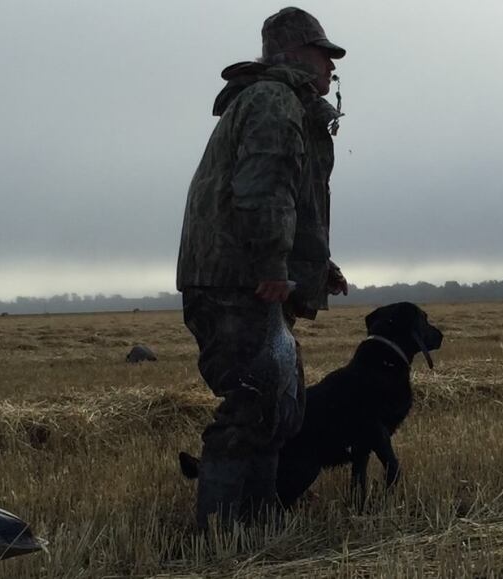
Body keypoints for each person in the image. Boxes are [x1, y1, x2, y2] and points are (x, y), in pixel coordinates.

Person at [176, 7, 348, 531]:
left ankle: (259, 520)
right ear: (296, 53)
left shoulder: (278, 103)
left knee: (279, 408)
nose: (331, 70)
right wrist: (273, 263)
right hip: (239, 280)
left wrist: (317, 265)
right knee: (253, 404)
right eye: (325, 56)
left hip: (249, 274)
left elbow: (287, 199)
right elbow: (262, 189)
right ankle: (219, 534)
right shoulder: (275, 101)